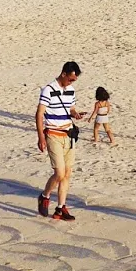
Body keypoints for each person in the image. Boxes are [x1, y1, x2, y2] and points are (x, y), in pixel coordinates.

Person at [35, 61, 85, 221]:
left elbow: (70, 108)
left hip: (69, 135)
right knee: (59, 172)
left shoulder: (70, 90)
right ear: (63, 74)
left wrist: (75, 114)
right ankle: (45, 196)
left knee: (67, 174)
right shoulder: (48, 90)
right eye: (70, 79)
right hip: (53, 134)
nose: (71, 82)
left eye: (74, 80)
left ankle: (60, 208)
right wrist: (41, 137)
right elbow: (39, 114)